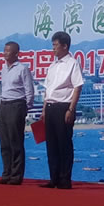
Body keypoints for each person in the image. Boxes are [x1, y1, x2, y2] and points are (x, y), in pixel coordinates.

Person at [39, 31, 83, 189]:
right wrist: (44, 109)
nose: (53, 48)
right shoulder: (52, 65)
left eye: (55, 45)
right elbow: (48, 90)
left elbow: (77, 87)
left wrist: (71, 109)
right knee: (51, 145)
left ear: (65, 46)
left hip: (64, 106)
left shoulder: (72, 63)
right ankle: (54, 178)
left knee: (64, 144)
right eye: (52, 45)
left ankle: (65, 179)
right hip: (50, 106)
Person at [0, 41, 34, 185]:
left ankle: (16, 175)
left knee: (15, 141)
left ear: (16, 53)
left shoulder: (22, 69)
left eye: (8, 51)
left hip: (17, 104)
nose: (5, 53)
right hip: (4, 104)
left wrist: (25, 107)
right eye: (4, 50)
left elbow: (29, 90)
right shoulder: (3, 69)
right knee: (4, 142)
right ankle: (6, 173)